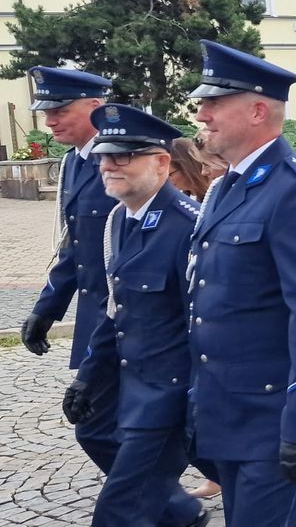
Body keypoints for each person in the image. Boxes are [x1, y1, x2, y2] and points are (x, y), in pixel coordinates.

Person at [185, 39, 296, 526]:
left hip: (275, 413)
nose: (202, 113)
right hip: (229, 408)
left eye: (214, 102)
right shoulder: (226, 186)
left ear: (258, 110)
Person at [62, 104, 209, 526]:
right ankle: (181, 513)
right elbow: (118, 312)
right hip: (137, 390)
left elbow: (204, 325)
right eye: (104, 156)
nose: (107, 165)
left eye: (122, 157)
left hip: (171, 399)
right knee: (255, 502)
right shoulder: (121, 221)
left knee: (119, 513)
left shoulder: (190, 227)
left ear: (162, 163)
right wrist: (89, 378)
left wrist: (194, 402)